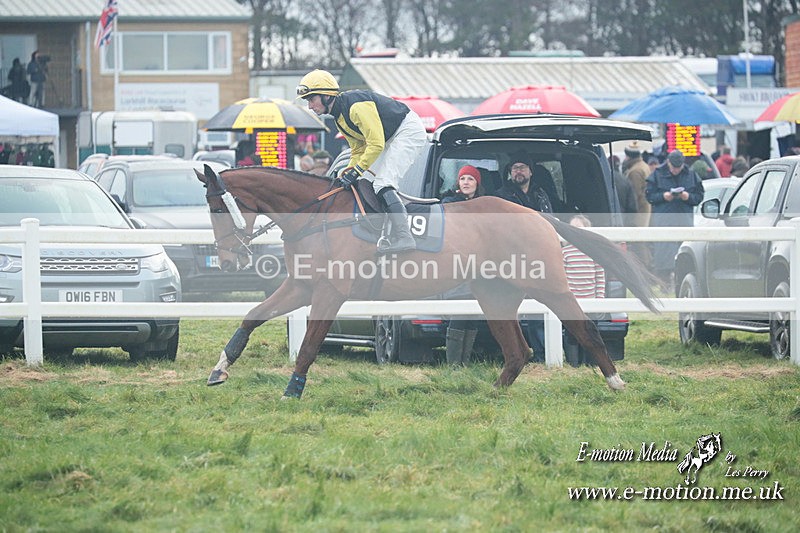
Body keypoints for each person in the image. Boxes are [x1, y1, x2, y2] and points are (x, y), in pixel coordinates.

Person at [297, 69, 426, 254]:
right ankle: (381, 230)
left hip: (407, 131)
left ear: (326, 96)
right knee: (365, 181)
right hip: (389, 137)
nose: (309, 106)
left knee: (383, 183)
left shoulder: (355, 106)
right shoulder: (339, 118)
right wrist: (349, 172)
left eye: (311, 99)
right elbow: (358, 149)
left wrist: (356, 170)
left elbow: (375, 144)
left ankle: (405, 236)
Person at [492, 152, 556, 361]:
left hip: (539, 259)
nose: (518, 171)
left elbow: (550, 223)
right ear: (510, 173)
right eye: (514, 168)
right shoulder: (501, 196)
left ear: (530, 171)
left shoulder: (541, 194)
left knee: (542, 306)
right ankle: (516, 353)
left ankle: (543, 354)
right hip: (511, 260)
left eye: (522, 167)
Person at [441, 165, 484, 365]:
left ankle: (464, 363)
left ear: (477, 183)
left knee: (473, 314)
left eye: (470, 179)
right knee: (459, 310)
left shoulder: (485, 204)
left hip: (480, 264)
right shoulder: (449, 202)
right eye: (463, 179)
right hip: (457, 263)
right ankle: (453, 365)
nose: (466, 182)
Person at [646, 150, 704, 290]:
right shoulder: (656, 175)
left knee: (684, 255)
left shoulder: (691, 175)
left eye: (678, 168)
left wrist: (687, 197)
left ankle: (682, 285)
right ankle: (664, 286)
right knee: (663, 255)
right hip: (664, 221)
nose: (676, 170)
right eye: (673, 167)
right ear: (668, 163)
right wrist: (663, 197)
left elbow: (699, 196)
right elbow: (649, 196)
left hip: (684, 221)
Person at [561, 214, 606, 366]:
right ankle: (574, 364)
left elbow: (600, 276)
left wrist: (599, 298)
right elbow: (562, 277)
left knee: (591, 332)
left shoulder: (594, 252)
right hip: (573, 301)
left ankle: (591, 363)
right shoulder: (565, 252)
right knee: (572, 333)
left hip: (590, 300)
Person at [622, 142, 653, 268]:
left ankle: (644, 268)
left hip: (639, 211)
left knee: (638, 242)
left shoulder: (635, 171)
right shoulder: (644, 166)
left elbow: (635, 195)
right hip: (646, 208)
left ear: (628, 156)